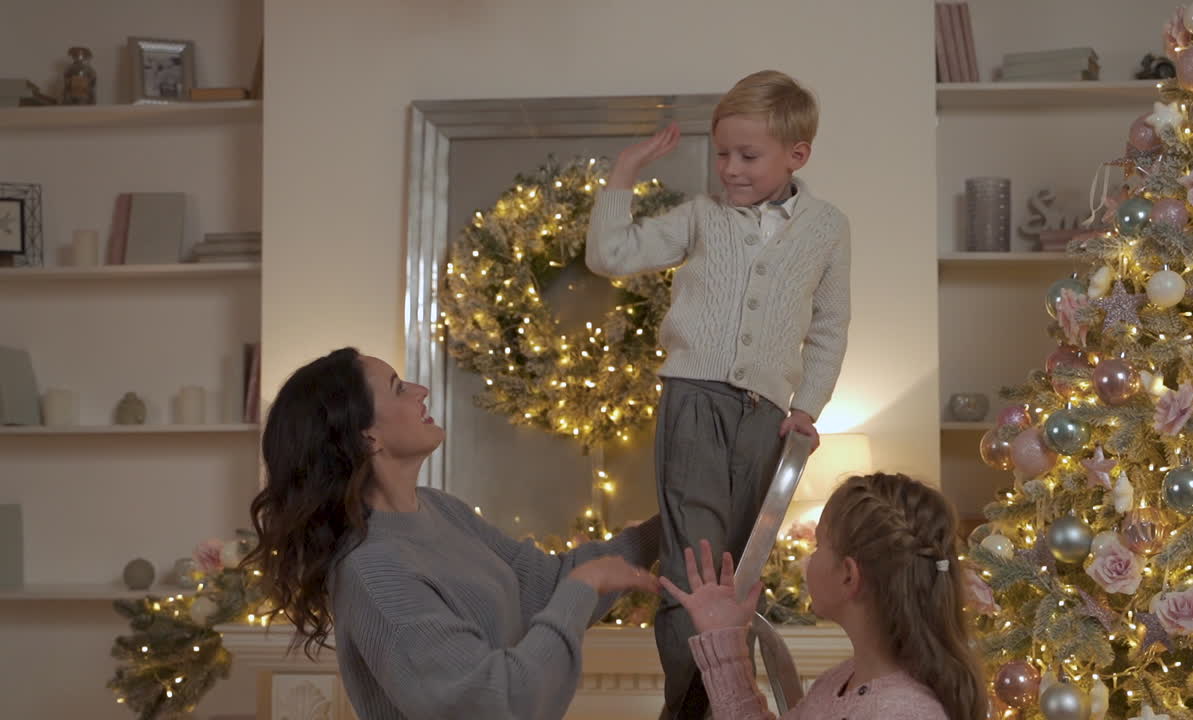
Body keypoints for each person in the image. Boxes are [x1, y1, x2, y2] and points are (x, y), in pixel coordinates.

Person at [585, 69, 852, 718]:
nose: (729, 169)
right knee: (693, 571)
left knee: (737, 577)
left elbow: (829, 325)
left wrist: (807, 407)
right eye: (722, 152)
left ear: (798, 155)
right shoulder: (702, 217)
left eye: (748, 156)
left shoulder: (827, 227)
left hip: (767, 418)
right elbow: (611, 254)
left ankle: (725, 701)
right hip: (694, 403)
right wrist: (624, 173)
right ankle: (689, 710)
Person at [243, 348, 662, 720]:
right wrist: (582, 587)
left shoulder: (442, 509)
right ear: (366, 436)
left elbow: (546, 586)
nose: (421, 390)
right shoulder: (374, 573)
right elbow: (495, 703)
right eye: (398, 388)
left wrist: (668, 528)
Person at [661, 472, 987, 720]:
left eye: (818, 545)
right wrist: (724, 642)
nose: (808, 559)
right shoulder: (842, 680)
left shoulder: (902, 712)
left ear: (848, 575)